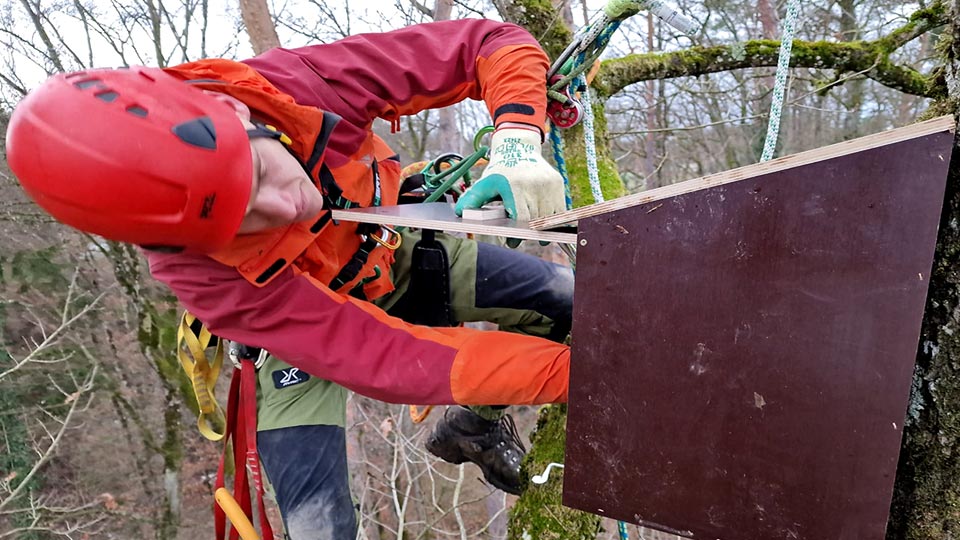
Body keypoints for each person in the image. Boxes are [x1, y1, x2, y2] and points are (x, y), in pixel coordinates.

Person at [6, 19, 573, 539]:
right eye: (240, 223)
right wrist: (578, 379)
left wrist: (518, 134)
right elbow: (375, 353)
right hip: (296, 341)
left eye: (256, 173)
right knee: (316, 524)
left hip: (390, 257)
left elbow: (488, 43)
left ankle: (474, 428)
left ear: (233, 115)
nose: (283, 208)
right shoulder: (200, 272)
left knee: (572, 302)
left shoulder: (295, 87)